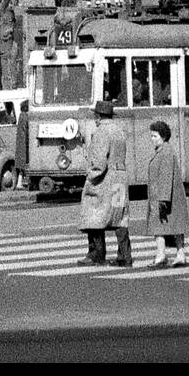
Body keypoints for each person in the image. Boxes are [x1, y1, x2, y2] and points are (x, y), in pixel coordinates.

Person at [77, 101, 131, 267]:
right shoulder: (118, 130)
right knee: (119, 217)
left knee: (93, 213)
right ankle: (125, 255)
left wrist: (90, 176)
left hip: (105, 179)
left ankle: (96, 254)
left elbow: (99, 162)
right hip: (120, 178)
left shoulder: (101, 132)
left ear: (98, 116)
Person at [143, 120, 187, 268]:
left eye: (155, 136)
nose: (152, 139)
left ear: (163, 136)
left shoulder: (165, 152)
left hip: (164, 197)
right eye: (151, 136)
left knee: (160, 226)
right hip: (168, 196)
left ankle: (162, 255)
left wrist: (163, 199)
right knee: (174, 226)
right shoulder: (165, 151)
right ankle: (180, 254)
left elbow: (166, 176)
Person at [14, 100, 30, 189]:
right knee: (25, 163)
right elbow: (27, 131)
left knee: (21, 165)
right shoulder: (26, 117)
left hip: (20, 143)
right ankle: (23, 183)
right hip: (25, 144)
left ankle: (19, 182)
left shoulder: (21, 116)